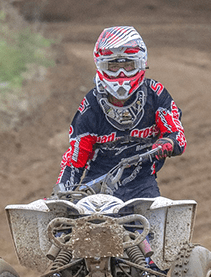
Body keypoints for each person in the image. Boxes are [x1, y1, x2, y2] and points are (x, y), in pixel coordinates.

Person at [56, 26, 186, 201]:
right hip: (97, 187)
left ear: (141, 63)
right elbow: (75, 159)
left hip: (142, 184)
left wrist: (167, 142)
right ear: (100, 66)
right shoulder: (91, 105)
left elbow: (177, 135)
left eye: (128, 65)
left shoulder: (155, 93)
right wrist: (61, 193)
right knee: (73, 226)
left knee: (162, 222)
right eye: (113, 66)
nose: (121, 73)